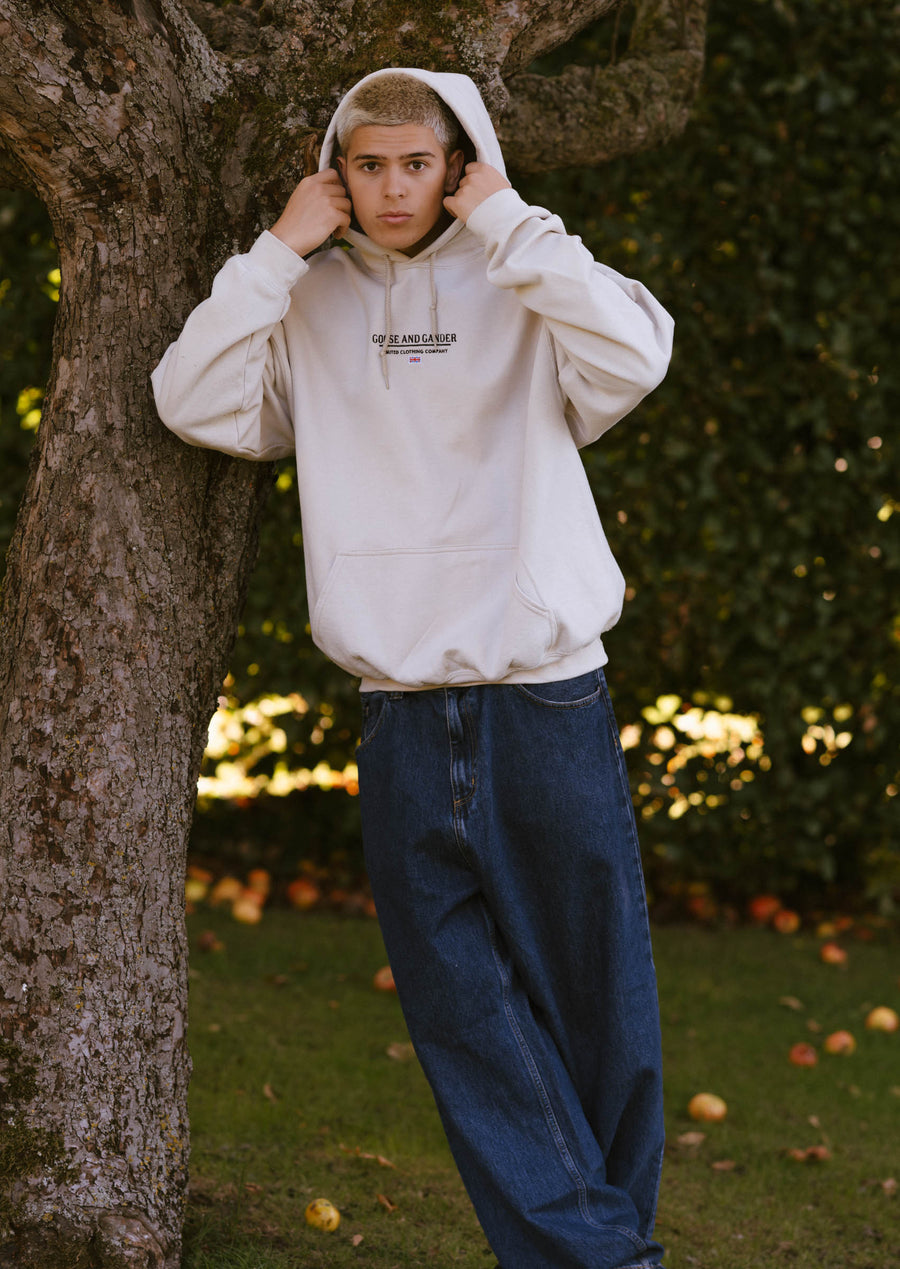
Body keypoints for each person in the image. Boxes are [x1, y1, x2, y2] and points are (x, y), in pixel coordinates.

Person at [152, 67, 674, 1269]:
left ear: (458, 166)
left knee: (597, 1001)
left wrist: (511, 223)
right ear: (338, 173)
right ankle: (601, 1256)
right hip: (396, 706)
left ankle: (603, 1249)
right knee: (459, 1015)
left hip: (542, 693)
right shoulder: (306, 300)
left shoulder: (526, 277)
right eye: (370, 165)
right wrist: (278, 251)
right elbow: (191, 399)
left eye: (418, 164)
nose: (394, 188)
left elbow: (635, 355)